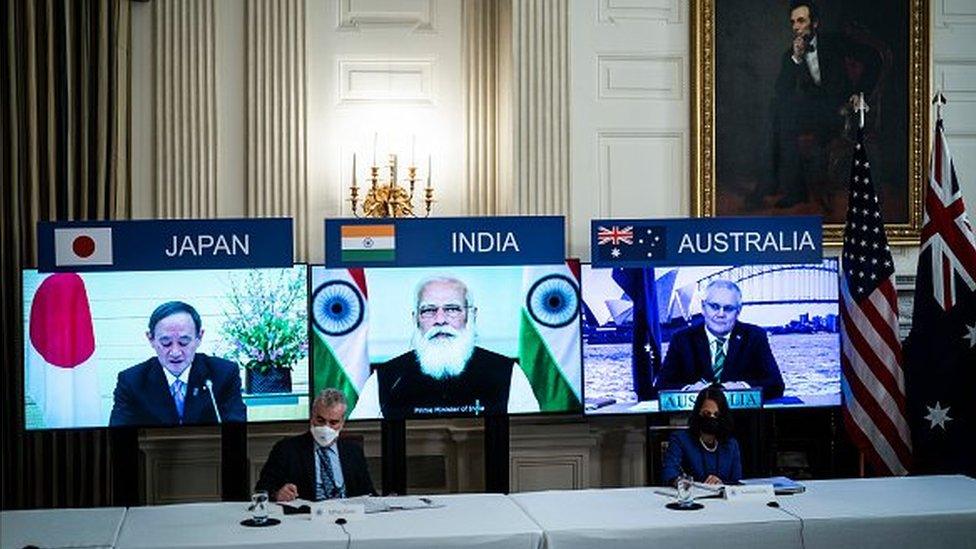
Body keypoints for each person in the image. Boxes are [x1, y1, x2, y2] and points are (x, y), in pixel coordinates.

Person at [350, 276, 540, 419]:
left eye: (452, 309)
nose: (440, 320)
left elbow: (529, 436)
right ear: (415, 319)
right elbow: (362, 437)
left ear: (471, 316)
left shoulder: (507, 373)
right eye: (429, 310)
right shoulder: (386, 379)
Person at [753, 1, 848, 209]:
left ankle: (770, 185)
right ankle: (792, 191)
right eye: (793, 22)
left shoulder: (834, 45)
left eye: (801, 20)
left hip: (838, 112)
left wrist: (860, 94)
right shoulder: (790, 54)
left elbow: (866, 64)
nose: (796, 26)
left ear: (815, 23)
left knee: (780, 117)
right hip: (813, 114)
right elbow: (781, 90)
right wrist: (796, 59)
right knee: (779, 114)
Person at [109, 301, 246, 426]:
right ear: (151, 339)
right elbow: (118, 436)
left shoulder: (224, 373)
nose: (175, 352)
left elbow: (236, 430)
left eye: (184, 342)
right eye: (166, 343)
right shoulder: (131, 381)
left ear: (199, 337)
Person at [655, 279, 785, 400]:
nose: (721, 314)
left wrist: (743, 387)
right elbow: (661, 386)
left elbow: (776, 385)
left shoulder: (754, 336)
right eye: (714, 307)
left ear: (738, 311)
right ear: (703, 307)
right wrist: (689, 389)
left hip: (742, 419)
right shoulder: (682, 339)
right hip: (695, 419)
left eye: (728, 308)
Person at [255, 388, 375, 501]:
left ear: (342, 423)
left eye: (333, 422)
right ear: (312, 417)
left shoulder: (353, 451)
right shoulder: (286, 449)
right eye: (320, 420)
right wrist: (277, 493)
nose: (326, 427)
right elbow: (262, 489)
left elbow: (368, 493)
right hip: (305, 518)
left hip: (346, 516)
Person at [662, 385, 742, 486]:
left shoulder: (731, 444)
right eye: (707, 414)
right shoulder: (680, 439)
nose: (711, 418)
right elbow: (669, 472)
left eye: (716, 415)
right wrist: (681, 482)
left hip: (722, 499)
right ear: (697, 413)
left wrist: (721, 483)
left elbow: (736, 480)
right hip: (692, 497)